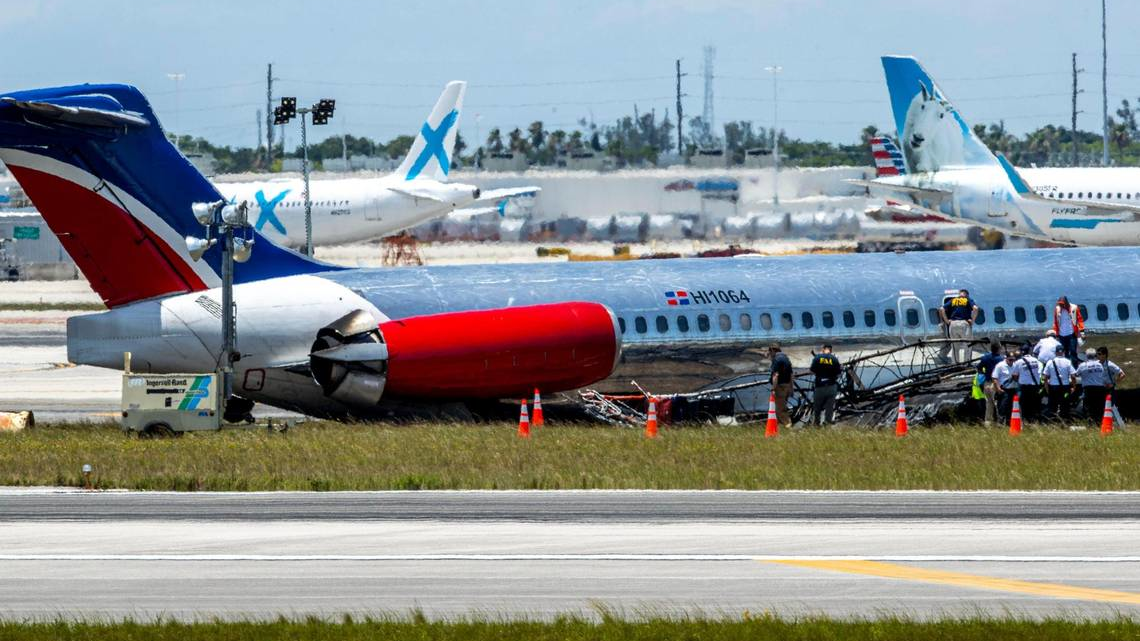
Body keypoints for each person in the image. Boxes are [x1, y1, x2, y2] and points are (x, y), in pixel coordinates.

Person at [1076, 347, 1125, 423]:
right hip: (1101, 388)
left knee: (1111, 406)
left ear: (1105, 355)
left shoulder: (1110, 364)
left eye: (1099, 354)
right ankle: (1100, 421)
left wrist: (1113, 383)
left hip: (1109, 389)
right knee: (1101, 406)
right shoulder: (1098, 364)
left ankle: (1116, 421)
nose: (1097, 356)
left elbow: (1122, 374)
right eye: (1097, 354)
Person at [940, 289, 979, 364]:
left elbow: (941, 309)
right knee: (968, 345)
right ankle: (966, 364)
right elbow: (975, 308)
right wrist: (972, 321)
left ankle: (955, 364)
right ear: (967, 295)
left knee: (955, 346)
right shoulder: (967, 299)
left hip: (953, 324)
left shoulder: (953, 300)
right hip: (964, 324)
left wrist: (947, 321)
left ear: (959, 294)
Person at [809, 344, 842, 426]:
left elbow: (811, 371)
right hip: (831, 386)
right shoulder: (834, 359)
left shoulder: (817, 358)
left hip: (820, 386)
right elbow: (839, 374)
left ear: (823, 349)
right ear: (831, 350)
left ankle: (817, 424)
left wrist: (819, 373)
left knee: (817, 407)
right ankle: (827, 424)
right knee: (829, 408)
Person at [1011, 349, 1044, 421]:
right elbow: (1040, 372)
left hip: (1024, 386)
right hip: (1035, 386)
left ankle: (1025, 420)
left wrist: (1019, 379)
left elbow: (1014, 375)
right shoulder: (1036, 361)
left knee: (1024, 405)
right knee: (1034, 404)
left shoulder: (1019, 362)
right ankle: (1033, 420)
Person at [1043, 350, 1075, 421]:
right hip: (1065, 388)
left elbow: (1045, 377)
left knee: (1052, 406)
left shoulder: (1050, 362)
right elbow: (1073, 376)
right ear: (1063, 352)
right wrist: (1074, 387)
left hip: (1053, 387)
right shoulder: (1068, 361)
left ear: (1055, 353)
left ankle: (1052, 421)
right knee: (1065, 405)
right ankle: (1064, 421)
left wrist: (1047, 388)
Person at [977, 341, 1004, 425]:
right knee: (997, 403)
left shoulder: (985, 358)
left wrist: (984, 374)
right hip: (995, 383)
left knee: (989, 404)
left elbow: (979, 368)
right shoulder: (1000, 359)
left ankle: (988, 422)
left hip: (987, 383)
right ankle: (1000, 421)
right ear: (999, 349)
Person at [768, 343, 794, 428]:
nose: (770, 354)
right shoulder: (786, 358)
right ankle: (781, 426)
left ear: (772, 350)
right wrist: (791, 387)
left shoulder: (777, 359)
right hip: (787, 385)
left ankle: (788, 425)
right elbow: (791, 374)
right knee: (783, 406)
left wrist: (773, 388)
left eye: (770, 352)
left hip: (780, 387)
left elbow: (775, 375)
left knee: (780, 410)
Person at [992, 351, 1016, 424]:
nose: (1011, 362)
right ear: (1006, 358)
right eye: (1010, 360)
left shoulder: (1015, 365)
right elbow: (994, 378)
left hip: (1012, 389)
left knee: (1011, 407)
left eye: (1013, 360)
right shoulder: (1000, 365)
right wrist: (998, 388)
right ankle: (1000, 422)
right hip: (1004, 389)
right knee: (1002, 407)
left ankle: (1009, 423)